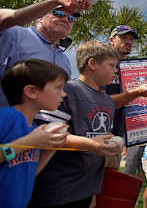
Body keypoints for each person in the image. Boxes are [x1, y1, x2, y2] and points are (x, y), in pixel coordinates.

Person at [29, 40, 121, 207]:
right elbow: (48, 135)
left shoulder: (107, 101)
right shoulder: (67, 91)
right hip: (58, 190)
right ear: (92, 63)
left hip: (86, 189)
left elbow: (102, 137)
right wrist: (91, 144)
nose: (116, 71)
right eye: (111, 65)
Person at [0, 59, 69, 208]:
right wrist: (30, 142)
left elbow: (28, 174)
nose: (63, 94)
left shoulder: (35, 129)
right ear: (31, 91)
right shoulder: (7, 117)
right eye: (58, 88)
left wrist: (50, 149)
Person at [0, 0, 88, 107]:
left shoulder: (64, 60)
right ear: (39, 17)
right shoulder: (15, 34)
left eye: (71, 18)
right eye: (59, 13)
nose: (65, 19)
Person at [103, 25, 147, 172]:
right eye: (123, 37)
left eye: (131, 39)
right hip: (100, 133)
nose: (128, 42)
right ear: (111, 40)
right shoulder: (101, 65)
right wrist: (137, 92)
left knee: (110, 180)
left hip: (119, 134)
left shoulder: (132, 70)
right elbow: (100, 103)